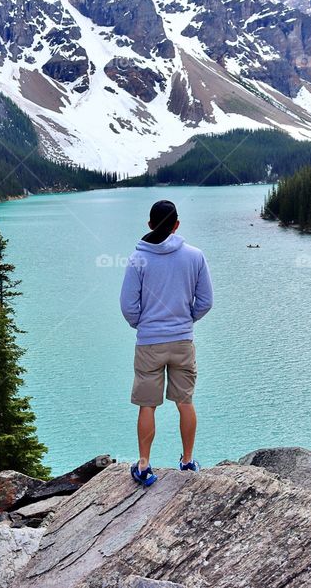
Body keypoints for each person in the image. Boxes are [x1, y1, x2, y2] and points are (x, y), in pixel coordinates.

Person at [119, 200, 213, 487]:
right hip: (182, 341)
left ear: (149, 225)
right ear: (177, 225)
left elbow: (128, 306)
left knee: (147, 405)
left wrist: (144, 325)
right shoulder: (195, 256)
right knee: (185, 402)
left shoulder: (138, 259)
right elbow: (206, 302)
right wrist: (185, 321)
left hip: (149, 344)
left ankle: (145, 466)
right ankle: (187, 463)